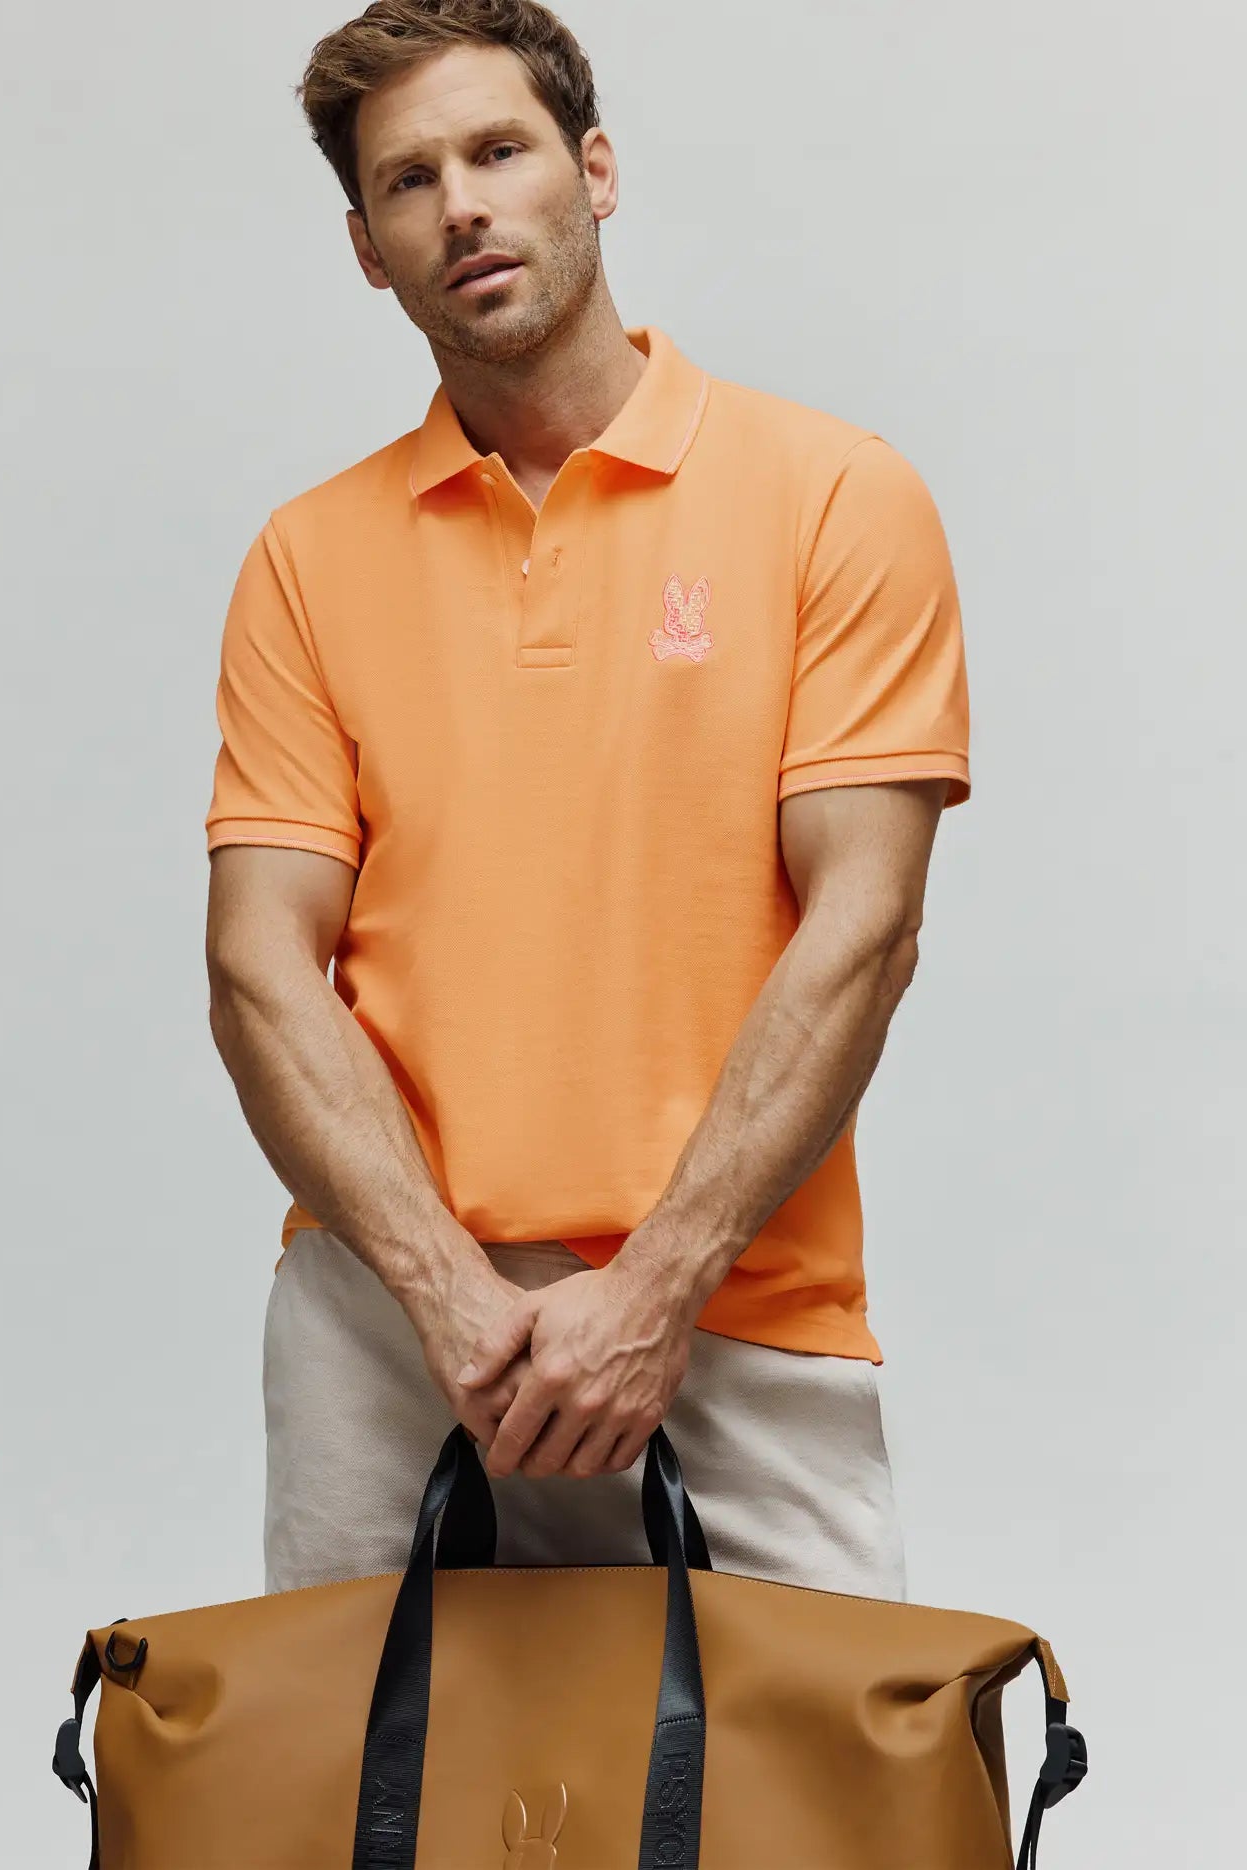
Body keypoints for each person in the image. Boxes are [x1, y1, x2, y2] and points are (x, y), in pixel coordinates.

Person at [203, 0, 970, 1601]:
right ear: (367, 250)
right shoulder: (306, 559)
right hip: (388, 1336)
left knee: (818, 1762)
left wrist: (657, 1286)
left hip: (739, 1313)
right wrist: (441, 1289)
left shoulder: (836, 498)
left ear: (597, 170)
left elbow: (866, 926)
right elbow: (260, 964)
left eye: (500, 151)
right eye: (409, 181)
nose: (462, 206)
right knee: (355, 1762)